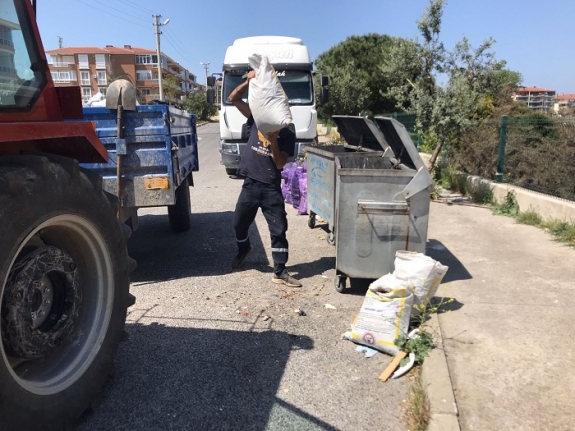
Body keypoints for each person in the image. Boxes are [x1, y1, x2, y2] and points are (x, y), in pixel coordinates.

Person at [228, 70, 302, 287]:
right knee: (238, 225)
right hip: (250, 183)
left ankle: (280, 271)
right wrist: (248, 81)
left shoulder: (288, 134)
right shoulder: (255, 120)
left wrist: (274, 141)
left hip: (270, 187)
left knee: (278, 230)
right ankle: (244, 249)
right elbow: (233, 99)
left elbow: (280, 164)